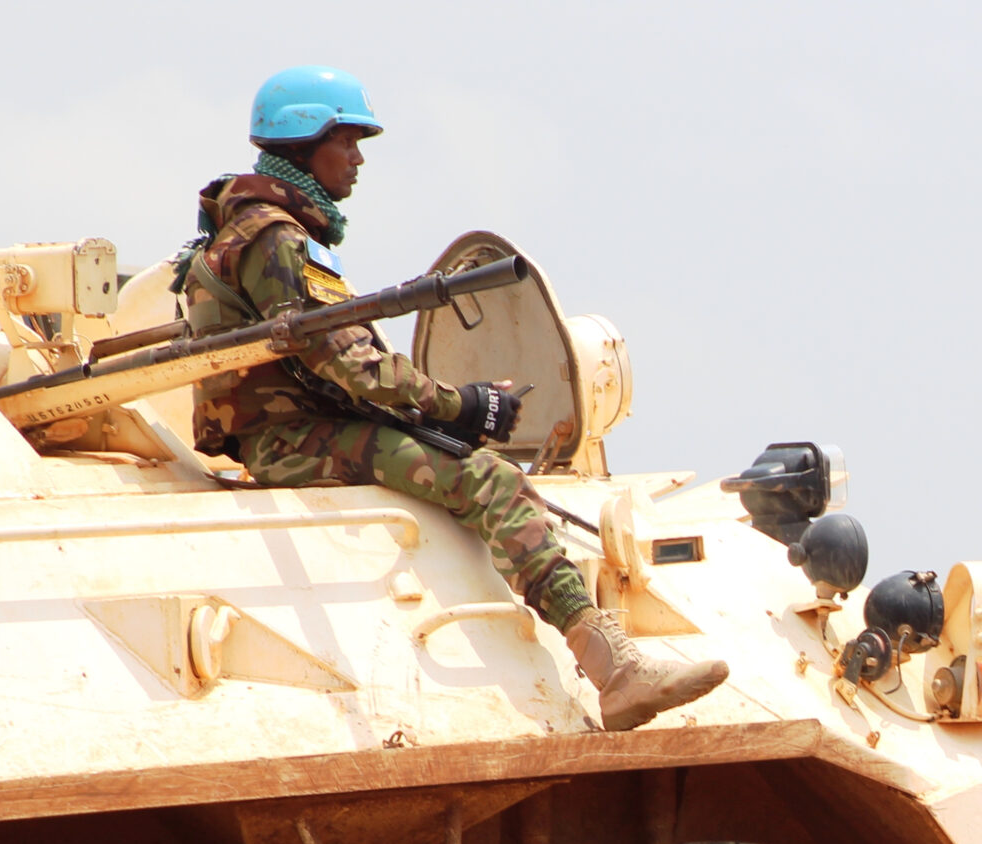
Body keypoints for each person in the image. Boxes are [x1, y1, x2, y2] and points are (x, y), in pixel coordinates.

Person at [173, 65, 727, 732]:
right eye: (345, 142)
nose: (358, 159)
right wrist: (455, 405)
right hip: (288, 440)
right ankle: (618, 673)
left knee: (473, 463)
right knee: (492, 481)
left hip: (296, 427)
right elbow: (348, 363)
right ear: (301, 145)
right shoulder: (276, 239)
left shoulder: (252, 228)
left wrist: (447, 409)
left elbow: (333, 362)